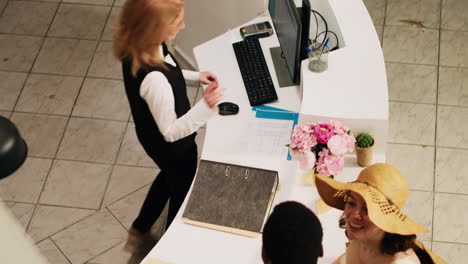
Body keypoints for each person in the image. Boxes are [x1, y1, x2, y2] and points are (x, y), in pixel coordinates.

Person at [113, 0, 224, 252]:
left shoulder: (139, 46)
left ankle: (140, 228)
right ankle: (171, 246)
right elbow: (171, 131)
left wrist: (196, 77)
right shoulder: (154, 80)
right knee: (181, 192)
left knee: (169, 176)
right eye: (176, 23)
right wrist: (206, 106)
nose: (183, 26)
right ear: (154, 28)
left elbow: (169, 69)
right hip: (174, 146)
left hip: (151, 136)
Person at [314, 163, 447, 264]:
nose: (354, 214)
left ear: (387, 217)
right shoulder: (363, 238)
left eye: (367, 209)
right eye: (351, 203)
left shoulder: (400, 261)